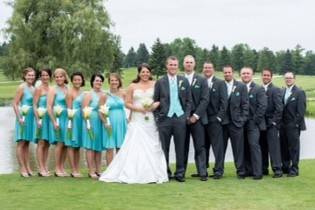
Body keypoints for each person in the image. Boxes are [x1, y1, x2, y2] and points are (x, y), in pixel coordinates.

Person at [99, 63, 168, 184]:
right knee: (135, 145)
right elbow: (127, 103)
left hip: (151, 118)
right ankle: (132, 172)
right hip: (137, 118)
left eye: (147, 72)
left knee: (153, 144)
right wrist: (139, 109)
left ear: (150, 73)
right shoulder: (132, 86)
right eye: (143, 72)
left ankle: (153, 172)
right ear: (139, 73)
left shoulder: (156, 84)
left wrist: (152, 106)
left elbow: (160, 100)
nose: (145, 74)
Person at [153, 56, 192, 182]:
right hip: (165, 119)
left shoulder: (183, 81)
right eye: (171, 64)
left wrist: (185, 116)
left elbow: (188, 101)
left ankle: (180, 173)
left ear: (178, 66)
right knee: (165, 148)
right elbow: (156, 101)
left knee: (180, 147)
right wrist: (158, 117)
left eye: (175, 65)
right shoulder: (160, 82)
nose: (173, 67)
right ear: (167, 66)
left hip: (180, 118)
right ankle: (166, 172)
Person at [182, 55, 209, 181]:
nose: (188, 64)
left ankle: (202, 172)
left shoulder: (202, 80)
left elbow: (205, 100)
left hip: (197, 119)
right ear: (183, 64)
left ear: (194, 64)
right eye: (186, 62)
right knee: (183, 146)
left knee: (200, 146)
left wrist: (195, 116)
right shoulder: (179, 79)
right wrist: (184, 116)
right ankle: (181, 173)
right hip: (182, 118)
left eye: (191, 62)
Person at [221, 65, 248, 179]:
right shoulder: (220, 85)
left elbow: (245, 105)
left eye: (229, 72)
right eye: (225, 72)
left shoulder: (241, 86)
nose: (227, 74)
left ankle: (240, 171)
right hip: (222, 123)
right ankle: (219, 171)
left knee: (238, 149)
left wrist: (242, 120)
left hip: (236, 123)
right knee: (220, 149)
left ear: (233, 73)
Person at [240, 67, 267, 180]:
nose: (245, 75)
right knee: (244, 147)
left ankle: (258, 172)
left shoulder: (258, 89)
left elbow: (262, 106)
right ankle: (248, 170)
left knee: (254, 146)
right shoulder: (238, 87)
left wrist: (255, 121)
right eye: (243, 73)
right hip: (241, 123)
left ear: (252, 75)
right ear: (240, 75)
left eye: (248, 73)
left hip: (253, 123)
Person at [203, 62, 228, 179]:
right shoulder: (201, 81)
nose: (207, 69)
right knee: (203, 146)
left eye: (209, 67)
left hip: (215, 119)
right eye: (205, 68)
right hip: (202, 119)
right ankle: (203, 170)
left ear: (213, 69)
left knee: (217, 147)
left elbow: (224, 102)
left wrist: (219, 117)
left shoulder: (220, 83)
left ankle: (218, 170)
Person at [280, 71, 306, 177]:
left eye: (290, 78)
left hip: (293, 125)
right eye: (286, 78)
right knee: (284, 147)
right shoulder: (282, 91)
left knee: (294, 148)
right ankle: (285, 167)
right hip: (282, 125)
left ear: (294, 79)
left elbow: (301, 111)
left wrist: (295, 124)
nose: (288, 79)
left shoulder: (299, 92)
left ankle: (294, 169)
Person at [13, 67, 36, 177]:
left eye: (32, 75)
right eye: (29, 75)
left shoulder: (33, 88)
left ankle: (28, 167)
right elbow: (15, 104)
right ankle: (22, 168)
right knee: (21, 143)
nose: (31, 77)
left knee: (27, 143)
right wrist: (19, 118)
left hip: (31, 118)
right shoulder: (21, 87)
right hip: (23, 117)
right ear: (25, 76)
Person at [259, 68, 283, 178]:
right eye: (264, 75)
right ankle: (264, 169)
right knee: (262, 147)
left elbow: (279, 109)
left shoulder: (275, 90)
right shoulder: (259, 89)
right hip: (261, 124)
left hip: (271, 124)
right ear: (261, 76)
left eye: (268, 75)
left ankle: (277, 169)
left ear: (271, 77)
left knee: (274, 147)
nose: (266, 77)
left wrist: (273, 122)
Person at [100, 73, 127, 165]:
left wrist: (129, 118)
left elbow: (130, 105)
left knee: (121, 146)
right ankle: (110, 170)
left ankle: (120, 169)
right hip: (109, 123)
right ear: (109, 82)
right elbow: (100, 112)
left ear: (119, 82)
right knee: (110, 147)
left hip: (121, 122)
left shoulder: (123, 93)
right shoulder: (104, 95)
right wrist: (105, 123)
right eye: (112, 80)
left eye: (116, 80)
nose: (114, 82)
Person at [82, 73, 106, 179]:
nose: (99, 82)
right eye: (97, 80)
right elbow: (84, 110)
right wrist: (88, 124)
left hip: (100, 122)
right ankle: (91, 170)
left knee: (98, 147)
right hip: (90, 121)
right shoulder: (88, 94)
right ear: (92, 82)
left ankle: (98, 170)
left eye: (100, 81)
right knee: (90, 146)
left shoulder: (104, 94)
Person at [47, 68, 69, 177]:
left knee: (65, 143)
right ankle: (57, 168)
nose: (59, 78)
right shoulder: (53, 90)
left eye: (61, 76)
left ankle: (62, 167)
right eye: (56, 77)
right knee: (59, 143)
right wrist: (54, 121)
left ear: (65, 77)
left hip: (67, 118)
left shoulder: (68, 89)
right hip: (58, 118)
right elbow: (49, 107)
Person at [33, 68, 52, 177]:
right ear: (40, 77)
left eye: (47, 75)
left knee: (47, 143)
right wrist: (38, 119)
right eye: (42, 75)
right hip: (41, 117)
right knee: (41, 143)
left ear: (50, 76)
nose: (45, 77)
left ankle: (45, 166)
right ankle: (41, 168)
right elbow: (35, 105)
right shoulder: (38, 89)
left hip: (50, 117)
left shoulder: (51, 89)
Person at [66, 72, 85, 178]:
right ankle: (73, 170)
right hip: (72, 120)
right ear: (72, 81)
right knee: (71, 145)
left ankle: (77, 168)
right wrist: (70, 123)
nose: (77, 81)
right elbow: (69, 109)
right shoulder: (70, 93)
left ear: (82, 81)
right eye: (75, 80)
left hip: (81, 120)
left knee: (77, 146)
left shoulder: (83, 92)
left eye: (79, 79)